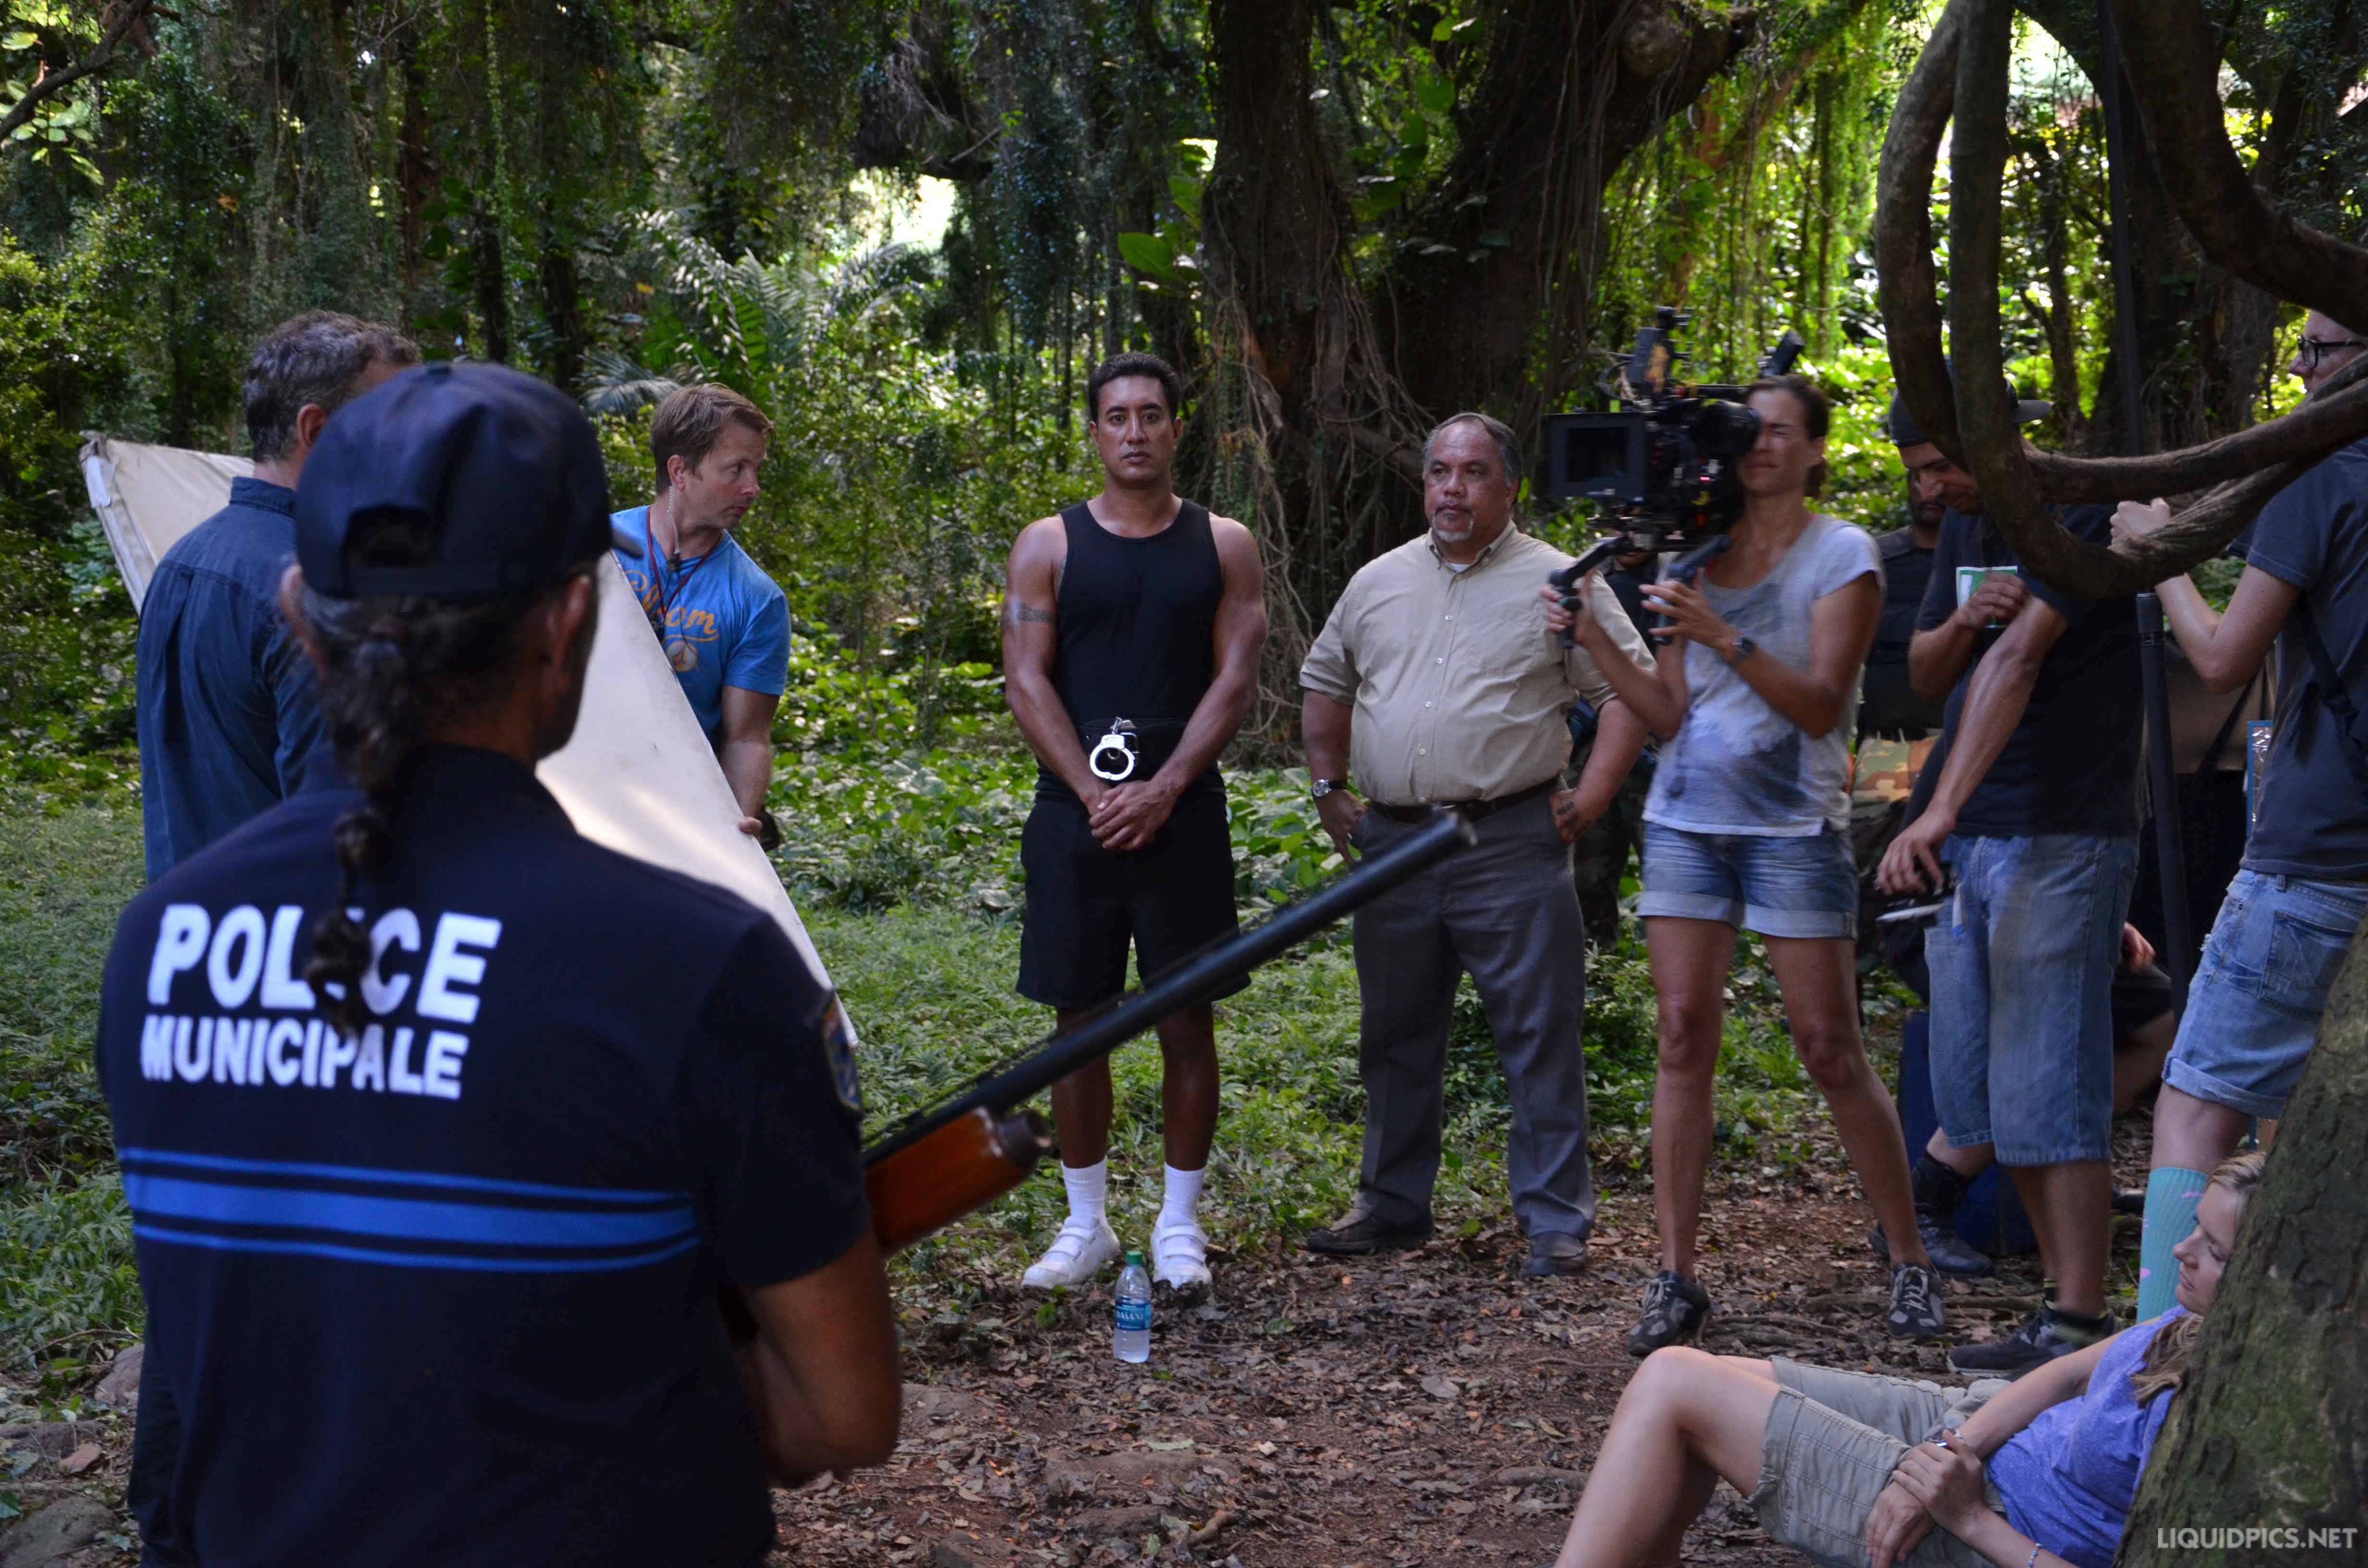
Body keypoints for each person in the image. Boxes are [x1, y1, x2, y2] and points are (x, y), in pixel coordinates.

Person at [98, 362, 900, 1566]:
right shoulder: (696, 964)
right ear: (574, 624)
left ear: (299, 614)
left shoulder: (156, 946)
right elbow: (839, 1412)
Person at [1548, 375, 1943, 1348]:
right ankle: (1674, 1276)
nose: (1761, 449)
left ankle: (1908, 1260)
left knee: (1828, 1046)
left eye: (1780, 434)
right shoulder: (1698, 551)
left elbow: (1817, 706)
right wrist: (1596, 630)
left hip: (1791, 827)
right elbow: (1670, 716)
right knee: (1682, 1034)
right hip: (1687, 820)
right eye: (1748, 434)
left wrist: (1724, 633)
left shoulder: (1841, 554)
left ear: (1813, 449)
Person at [1298, 411, 1653, 1279]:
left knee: (1537, 1029)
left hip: (1509, 837)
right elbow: (1323, 681)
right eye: (1439, 471)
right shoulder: (1378, 579)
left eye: (1472, 471)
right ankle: (1389, 1203)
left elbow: (1626, 693)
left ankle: (1553, 1219)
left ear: (1510, 486)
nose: (1451, 487)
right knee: (1394, 1030)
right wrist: (1327, 787)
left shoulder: (1558, 580)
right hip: (1393, 843)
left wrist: (1595, 792)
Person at [1552, 1150, 2265, 1568]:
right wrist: (1956, 1443)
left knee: (1675, 1382)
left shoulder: (2230, 1410)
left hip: (1994, 1520)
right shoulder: (2206, 1314)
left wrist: (1966, 1515)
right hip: (1975, 1434)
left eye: (2214, 1250)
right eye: (2196, 1232)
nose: (2181, 1250)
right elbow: (2072, 1369)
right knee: (1693, 1381)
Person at [1876, 378, 2143, 1377]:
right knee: (1983, 1092)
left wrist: (1936, 806)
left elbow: (2020, 658)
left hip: (2058, 826)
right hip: (1974, 838)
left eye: (1946, 466)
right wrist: (1932, 815)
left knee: (2047, 1086)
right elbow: (1938, 672)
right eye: (1921, 474)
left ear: (1996, 443)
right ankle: (2055, 1313)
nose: (1935, 488)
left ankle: (2077, 1315)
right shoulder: (1962, 522)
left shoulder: (2078, 506)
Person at [2110, 309, 2368, 1323]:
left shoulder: (2321, 473)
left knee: (2199, 1105)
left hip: (2314, 861)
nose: (2300, 371)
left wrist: (2159, 553)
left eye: (2320, 351)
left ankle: (2151, 1365)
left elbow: (2222, 659)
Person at [1000, 352, 1266, 1300]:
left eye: (1152, 415)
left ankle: (1179, 1225)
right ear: (1095, 431)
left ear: (1175, 428)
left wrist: (1165, 787)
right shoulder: (1049, 545)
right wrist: (1089, 790)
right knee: (1080, 1020)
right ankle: (1086, 1225)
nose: (1135, 432)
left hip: (1182, 814)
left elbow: (1235, 678)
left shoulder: (1223, 545)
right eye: (1117, 417)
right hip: (1075, 818)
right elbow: (1024, 677)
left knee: (1185, 1017)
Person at [135, 311, 420, 877]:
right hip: (296, 944)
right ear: (315, 431)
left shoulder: (182, 560)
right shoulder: (323, 594)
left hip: (193, 930)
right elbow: (343, 833)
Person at [611, 382, 789, 838]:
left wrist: (738, 826)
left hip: (676, 812)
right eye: (736, 469)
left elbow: (747, 738)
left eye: (757, 469)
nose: (753, 488)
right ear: (680, 471)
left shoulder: (757, 599)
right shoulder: (591, 550)